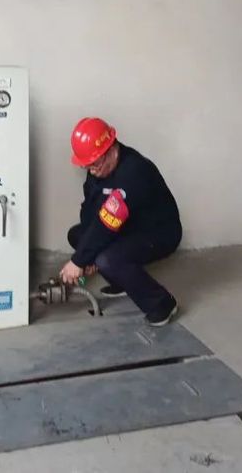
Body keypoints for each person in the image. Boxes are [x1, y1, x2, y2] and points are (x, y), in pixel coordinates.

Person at [58, 117, 183, 326]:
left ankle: (162, 304)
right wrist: (85, 256)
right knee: (78, 235)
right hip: (126, 226)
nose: (91, 171)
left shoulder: (134, 172)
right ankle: (122, 281)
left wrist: (79, 261)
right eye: (87, 166)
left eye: (94, 164)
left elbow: (106, 225)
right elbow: (90, 211)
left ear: (111, 150)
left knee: (107, 259)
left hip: (158, 232)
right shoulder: (98, 170)